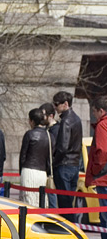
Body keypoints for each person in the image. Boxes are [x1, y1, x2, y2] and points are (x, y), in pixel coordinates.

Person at [52, 91, 84, 221]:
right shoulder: (76, 119)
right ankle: (74, 233)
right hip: (74, 165)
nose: (55, 107)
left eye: (56, 104)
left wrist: (54, 162)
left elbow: (63, 147)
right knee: (69, 202)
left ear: (65, 104)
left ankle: (72, 235)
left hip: (64, 165)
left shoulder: (66, 121)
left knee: (64, 204)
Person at [86, 95, 107, 239]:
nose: (94, 115)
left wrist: (95, 170)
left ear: (101, 110)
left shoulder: (102, 125)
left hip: (104, 179)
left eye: (94, 111)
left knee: (105, 218)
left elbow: (102, 151)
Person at [18, 108, 52, 208]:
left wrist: (21, 171)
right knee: (41, 200)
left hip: (29, 170)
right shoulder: (49, 136)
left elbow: (23, 155)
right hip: (42, 173)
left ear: (32, 121)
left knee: (28, 201)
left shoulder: (29, 134)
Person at [40, 102, 59, 208]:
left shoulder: (56, 130)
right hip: (47, 168)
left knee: (52, 199)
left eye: (44, 115)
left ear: (51, 116)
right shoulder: (47, 129)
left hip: (52, 169)